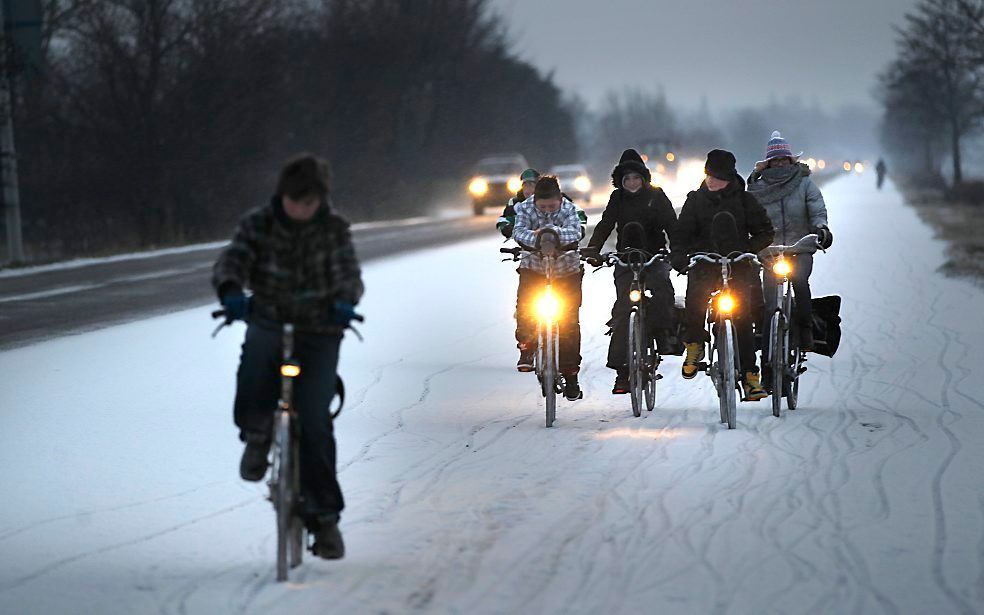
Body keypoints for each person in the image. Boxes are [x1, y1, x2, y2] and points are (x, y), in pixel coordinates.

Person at [212, 154, 364, 560]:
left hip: (320, 330)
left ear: (321, 200)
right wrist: (230, 289)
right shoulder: (257, 223)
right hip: (269, 320)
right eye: (295, 200)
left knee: (314, 419)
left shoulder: (334, 229)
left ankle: (326, 520)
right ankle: (257, 436)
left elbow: (348, 274)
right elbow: (234, 259)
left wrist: (346, 301)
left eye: (309, 201)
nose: (301, 208)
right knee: (253, 368)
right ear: (282, 195)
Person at [672, 149, 774, 401]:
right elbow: (681, 234)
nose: (711, 181)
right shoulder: (695, 200)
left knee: (742, 317)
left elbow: (765, 231)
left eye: (717, 177)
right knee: (695, 298)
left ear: (729, 178)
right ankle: (694, 345)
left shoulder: (744, 200)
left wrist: (748, 251)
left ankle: (751, 376)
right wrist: (681, 258)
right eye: (708, 175)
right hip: (705, 264)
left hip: (738, 265)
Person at [582, 148, 677, 394]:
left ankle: (663, 334)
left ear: (644, 178)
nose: (632, 182)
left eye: (636, 178)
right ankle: (622, 372)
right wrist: (593, 249)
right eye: (627, 179)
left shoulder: (657, 196)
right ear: (620, 181)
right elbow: (605, 225)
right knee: (623, 309)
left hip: (654, 255)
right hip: (626, 258)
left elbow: (671, 224)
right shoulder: (617, 199)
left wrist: (678, 251)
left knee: (662, 290)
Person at [747, 131, 832, 351]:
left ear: (791, 160)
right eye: (775, 160)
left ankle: (805, 330)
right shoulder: (757, 188)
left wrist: (821, 229)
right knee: (768, 303)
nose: (780, 164)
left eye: (784, 159)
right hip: (769, 250)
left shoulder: (805, 184)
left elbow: (816, 208)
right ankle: (766, 357)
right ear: (768, 163)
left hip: (800, 246)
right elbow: (749, 217)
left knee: (800, 282)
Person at [512, 175, 584, 401]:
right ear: (534, 201)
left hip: (566, 271)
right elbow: (519, 231)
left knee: (569, 323)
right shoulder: (524, 208)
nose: (547, 210)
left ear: (560, 199)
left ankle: (570, 375)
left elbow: (576, 231)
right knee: (525, 307)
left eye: (551, 205)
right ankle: (527, 346)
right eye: (542, 207)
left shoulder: (569, 209)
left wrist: (551, 233)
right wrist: (535, 241)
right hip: (533, 268)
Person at [498, 168, 587, 239]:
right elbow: (514, 227)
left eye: (532, 185)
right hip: (532, 249)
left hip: (561, 248)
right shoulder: (522, 206)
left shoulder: (565, 203)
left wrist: (555, 233)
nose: (528, 189)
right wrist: (507, 228)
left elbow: (577, 222)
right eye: (525, 185)